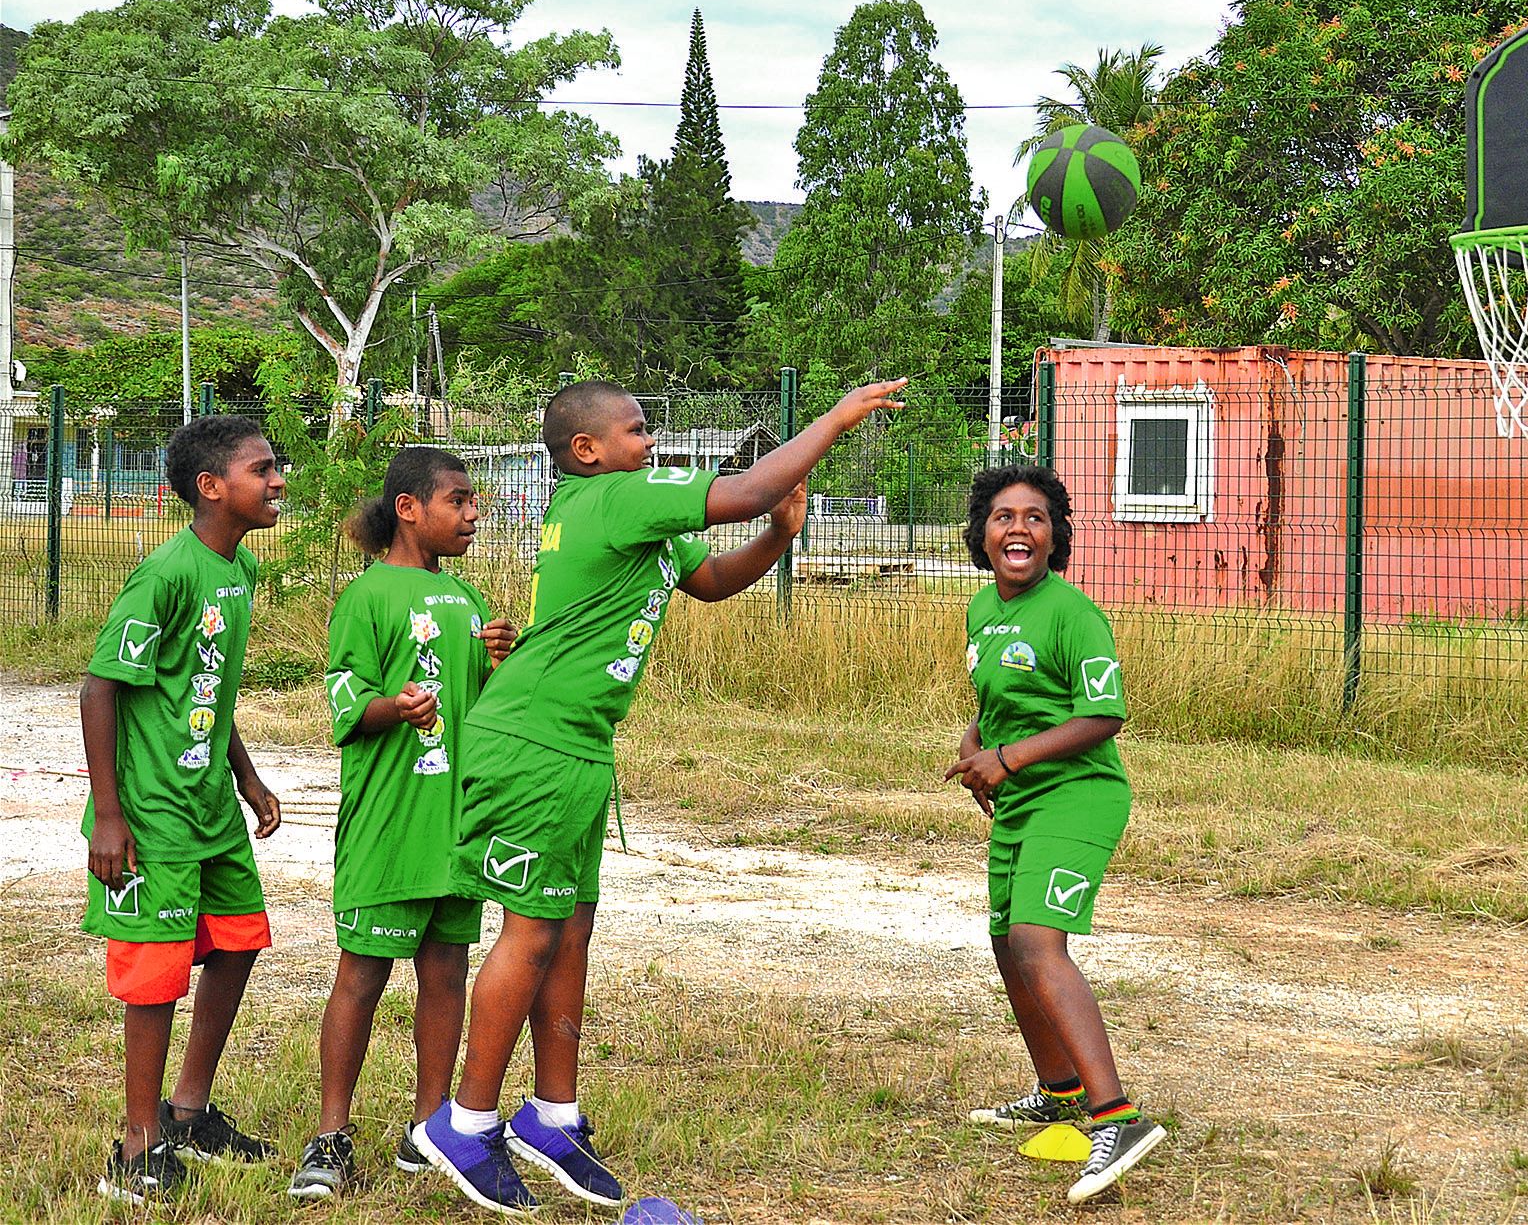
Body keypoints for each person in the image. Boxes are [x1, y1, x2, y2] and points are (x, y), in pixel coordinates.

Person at [413, 376, 907, 1215]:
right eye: (637, 429)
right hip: (530, 740)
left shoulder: (634, 518)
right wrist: (834, 418)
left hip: (574, 747)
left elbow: (711, 579)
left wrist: (780, 536)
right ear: (586, 450)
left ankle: (553, 1114)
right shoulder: (610, 499)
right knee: (531, 931)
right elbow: (744, 489)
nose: (650, 442)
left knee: (570, 927)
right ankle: (464, 1123)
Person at [289, 447, 518, 1200]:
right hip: (389, 821)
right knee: (361, 975)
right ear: (410, 507)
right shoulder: (368, 596)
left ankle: (431, 1128)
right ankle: (330, 1135)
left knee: (447, 970)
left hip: (456, 825)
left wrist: (500, 663)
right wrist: (394, 706)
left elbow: (483, 711)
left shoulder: (471, 598)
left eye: (474, 501)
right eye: (458, 500)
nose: (473, 514)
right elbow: (346, 698)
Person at [944, 463, 1166, 1205]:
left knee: (1039, 943)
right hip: (1019, 800)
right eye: (1003, 515)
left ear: (1054, 536)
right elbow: (996, 693)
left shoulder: (1073, 612)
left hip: (1078, 796)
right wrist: (979, 745)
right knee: (1007, 943)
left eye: (1035, 517)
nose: (1018, 527)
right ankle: (1058, 1089)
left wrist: (1007, 758)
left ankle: (1117, 1116)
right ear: (981, 533)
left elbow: (1103, 714)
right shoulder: (981, 608)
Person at [79, 415, 286, 1203]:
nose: (276, 481)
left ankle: (189, 1112)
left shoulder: (240, 572)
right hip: (151, 812)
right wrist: (108, 813)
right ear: (211, 487)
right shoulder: (166, 572)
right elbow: (101, 687)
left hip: (209, 806)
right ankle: (138, 1144)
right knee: (157, 973)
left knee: (239, 940)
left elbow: (207, 686)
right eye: (262, 469)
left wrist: (248, 776)